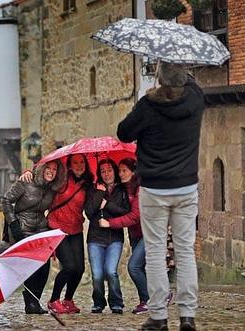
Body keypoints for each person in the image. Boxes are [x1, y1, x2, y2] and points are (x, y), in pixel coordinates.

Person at [117, 62, 203, 331]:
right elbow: (189, 84)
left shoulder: (148, 106)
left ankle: (158, 316)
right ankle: (187, 316)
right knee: (185, 250)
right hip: (186, 186)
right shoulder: (196, 98)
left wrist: (150, 95)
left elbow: (124, 133)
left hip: (154, 188)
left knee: (154, 251)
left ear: (160, 80)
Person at [19, 153, 93, 314]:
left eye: (82, 162)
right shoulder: (62, 179)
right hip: (57, 228)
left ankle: (68, 300)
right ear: (70, 165)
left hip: (76, 228)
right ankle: (53, 300)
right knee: (69, 266)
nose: (79, 165)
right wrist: (28, 171)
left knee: (79, 268)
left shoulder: (88, 183)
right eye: (75, 162)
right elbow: (44, 176)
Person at [1, 160, 65, 314]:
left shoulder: (51, 188)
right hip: (22, 229)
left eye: (55, 169)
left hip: (40, 229)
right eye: (48, 168)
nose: (51, 171)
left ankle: (34, 301)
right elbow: (6, 200)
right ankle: (30, 304)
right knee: (30, 268)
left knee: (44, 267)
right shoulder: (26, 181)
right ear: (41, 169)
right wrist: (14, 225)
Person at [98, 158, 150, 315]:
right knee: (141, 268)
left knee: (133, 267)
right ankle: (146, 301)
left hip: (148, 233)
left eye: (124, 170)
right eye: (119, 170)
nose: (120, 174)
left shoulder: (140, 189)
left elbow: (134, 216)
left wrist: (110, 223)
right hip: (135, 233)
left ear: (134, 172)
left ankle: (152, 299)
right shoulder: (126, 188)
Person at [84, 159, 128, 314]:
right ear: (99, 174)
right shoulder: (93, 189)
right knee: (97, 274)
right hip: (95, 238)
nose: (106, 173)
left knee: (111, 271)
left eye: (109, 170)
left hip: (114, 238)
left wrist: (107, 204)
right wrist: (100, 193)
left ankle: (116, 303)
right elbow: (89, 212)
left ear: (114, 171)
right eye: (103, 171)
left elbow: (125, 212)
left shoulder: (122, 189)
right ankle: (98, 302)